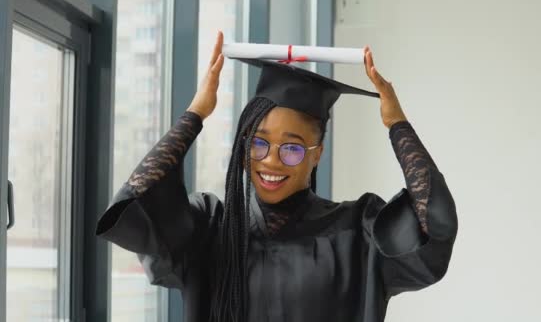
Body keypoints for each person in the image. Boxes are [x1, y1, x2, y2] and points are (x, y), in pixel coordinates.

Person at [96, 31, 458, 322]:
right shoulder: (210, 231)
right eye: (257, 143)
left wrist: (398, 126)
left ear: (318, 154)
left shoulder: (357, 233)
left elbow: (433, 225)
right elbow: (138, 202)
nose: (271, 161)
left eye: (293, 147)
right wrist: (194, 115)